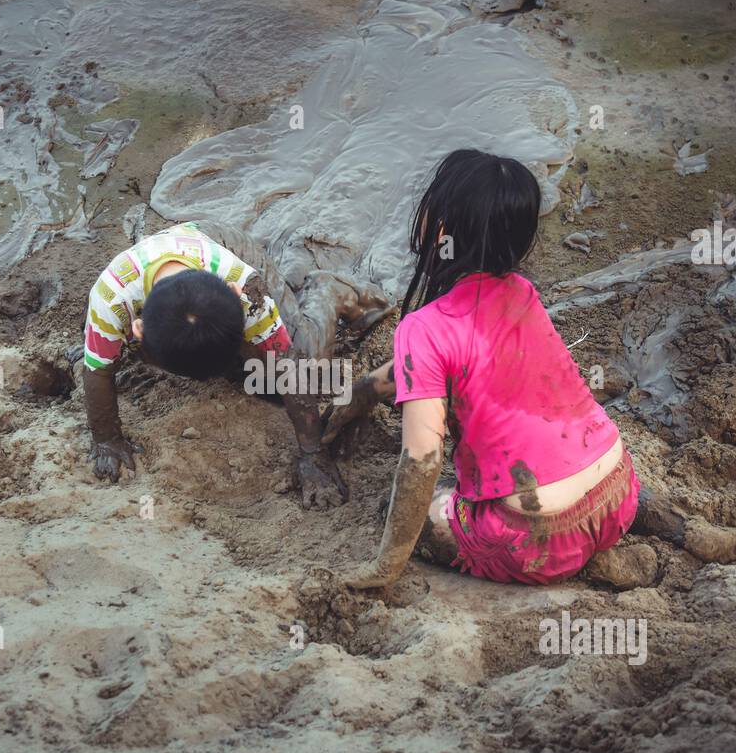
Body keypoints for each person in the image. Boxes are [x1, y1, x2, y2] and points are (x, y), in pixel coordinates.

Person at [322, 150, 640, 586]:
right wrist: (362, 394)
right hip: (619, 492)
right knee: (579, 456)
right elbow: (443, 361)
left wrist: (385, 568)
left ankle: (574, 556)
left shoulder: (423, 328)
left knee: (407, 508)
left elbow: (420, 460)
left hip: (536, 540)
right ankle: (682, 532)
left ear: (437, 228)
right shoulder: (523, 293)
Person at [78, 220, 390, 508]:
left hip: (226, 246)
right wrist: (106, 440)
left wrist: (312, 452)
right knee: (244, 375)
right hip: (171, 265)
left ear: (235, 295)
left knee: (299, 367)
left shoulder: (246, 287)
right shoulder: (109, 301)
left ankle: (326, 289)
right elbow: (97, 372)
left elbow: (292, 370)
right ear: (139, 328)